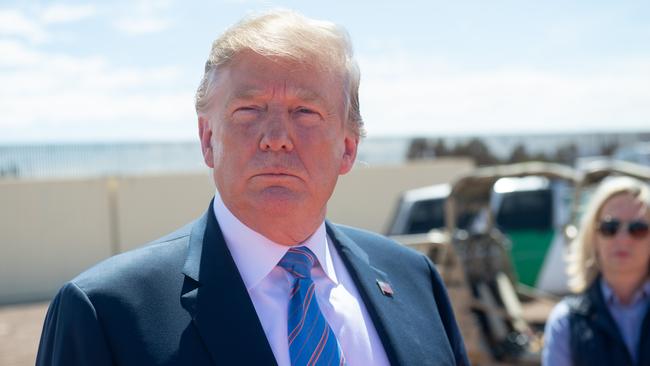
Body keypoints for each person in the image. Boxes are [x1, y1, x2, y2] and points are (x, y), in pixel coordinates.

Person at [36, 10, 469, 366]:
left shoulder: (415, 281)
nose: (276, 136)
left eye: (305, 110)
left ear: (348, 147)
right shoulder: (105, 313)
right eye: (249, 109)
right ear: (208, 140)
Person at [542, 176, 650, 366]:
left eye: (638, 228)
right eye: (610, 227)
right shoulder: (566, 322)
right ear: (592, 237)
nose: (623, 239)